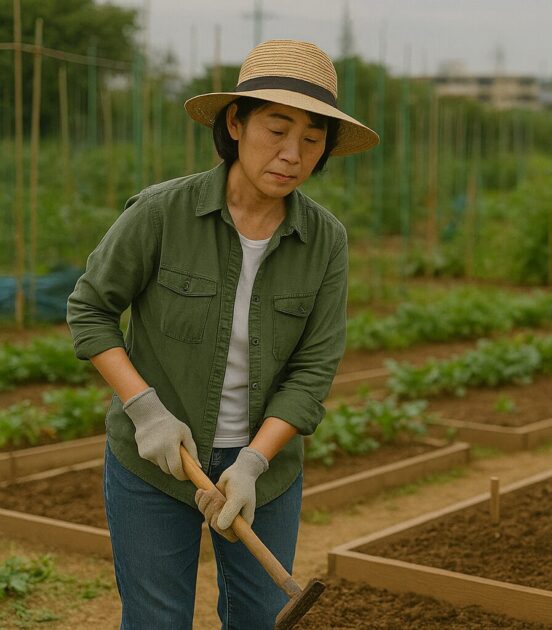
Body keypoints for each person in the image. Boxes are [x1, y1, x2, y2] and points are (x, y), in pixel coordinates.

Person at [67, 39, 378, 628]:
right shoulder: (162, 213)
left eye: (312, 140)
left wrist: (254, 462)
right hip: (155, 463)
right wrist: (145, 410)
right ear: (236, 123)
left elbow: (313, 370)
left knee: (260, 617)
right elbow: (90, 309)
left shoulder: (325, 241)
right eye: (276, 130)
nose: (291, 154)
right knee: (157, 618)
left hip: (265, 467)